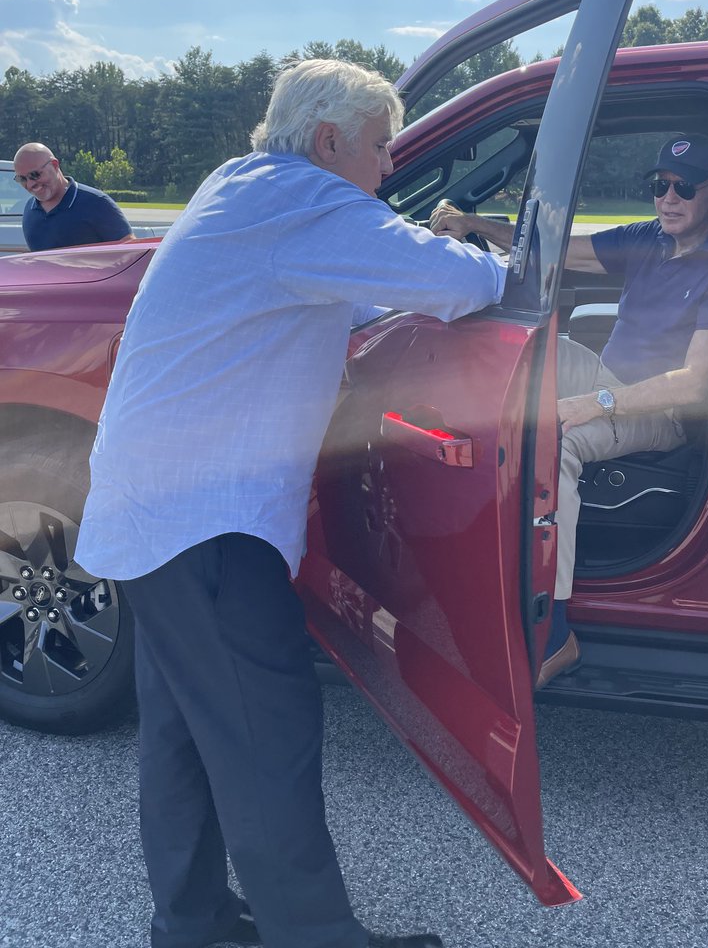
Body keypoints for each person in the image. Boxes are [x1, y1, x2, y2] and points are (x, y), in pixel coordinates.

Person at [74, 60, 509, 948]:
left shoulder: (244, 188)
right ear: (329, 141)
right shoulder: (305, 201)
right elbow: (462, 284)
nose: (389, 166)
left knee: (188, 735)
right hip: (206, 525)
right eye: (383, 145)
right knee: (267, 731)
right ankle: (313, 935)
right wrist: (499, 252)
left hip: (152, 512)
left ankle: (192, 923)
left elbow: (347, 296)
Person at [430, 133, 708, 686]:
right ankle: (463, 503)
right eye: (659, 186)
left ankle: (555, 633)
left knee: (557, 441)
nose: (668, 198)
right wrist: (476, 226)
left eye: (684, 188)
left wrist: (596, 404)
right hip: (609, 381)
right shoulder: (651, 239)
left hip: (660, 410)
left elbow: (695, 382)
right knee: (521, 347)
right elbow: (561, 250)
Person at [13, 142, 136, 250]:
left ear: (55, 165)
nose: (30, 184)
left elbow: (130, 251)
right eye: (22, 179)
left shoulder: (96, 203)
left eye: (35, 175)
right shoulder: (29, 210)